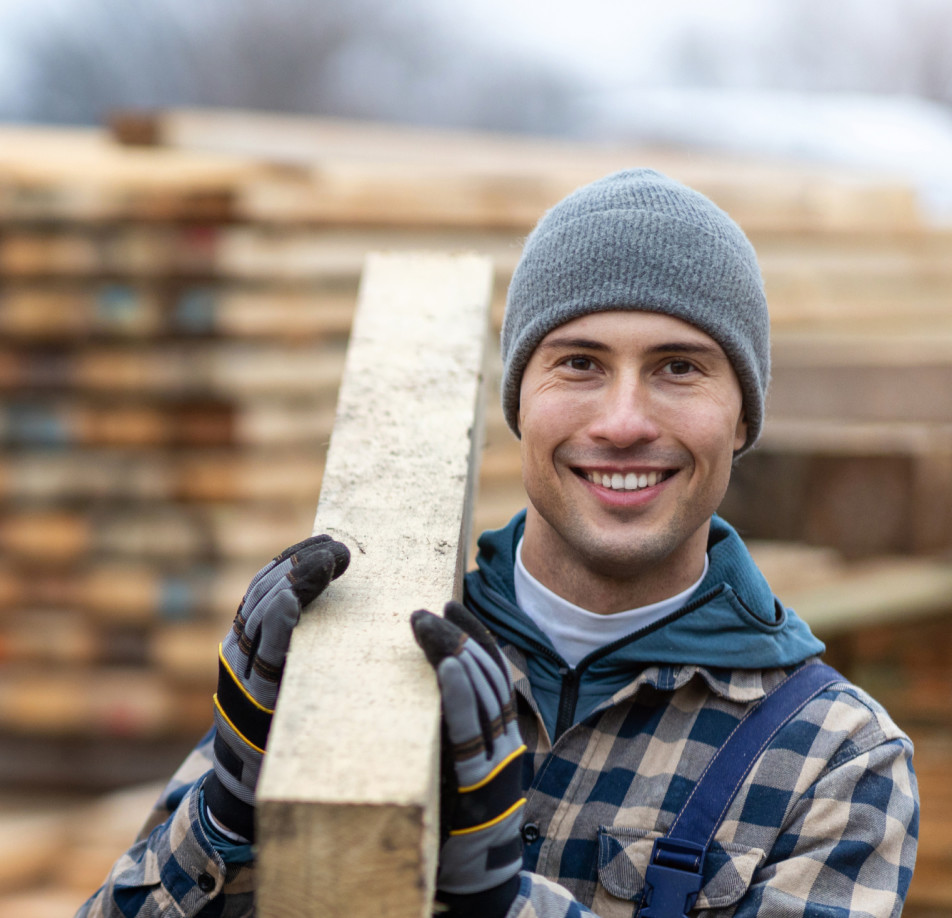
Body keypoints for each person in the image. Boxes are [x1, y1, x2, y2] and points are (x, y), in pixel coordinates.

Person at [76, 169, 919, 918]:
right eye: (579, 363)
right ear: (521, 403)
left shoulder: (831, 761)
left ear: (743, 417)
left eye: (680, 367)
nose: (623, 421)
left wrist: (498, 899)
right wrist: (225, 812)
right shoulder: (358, 656)